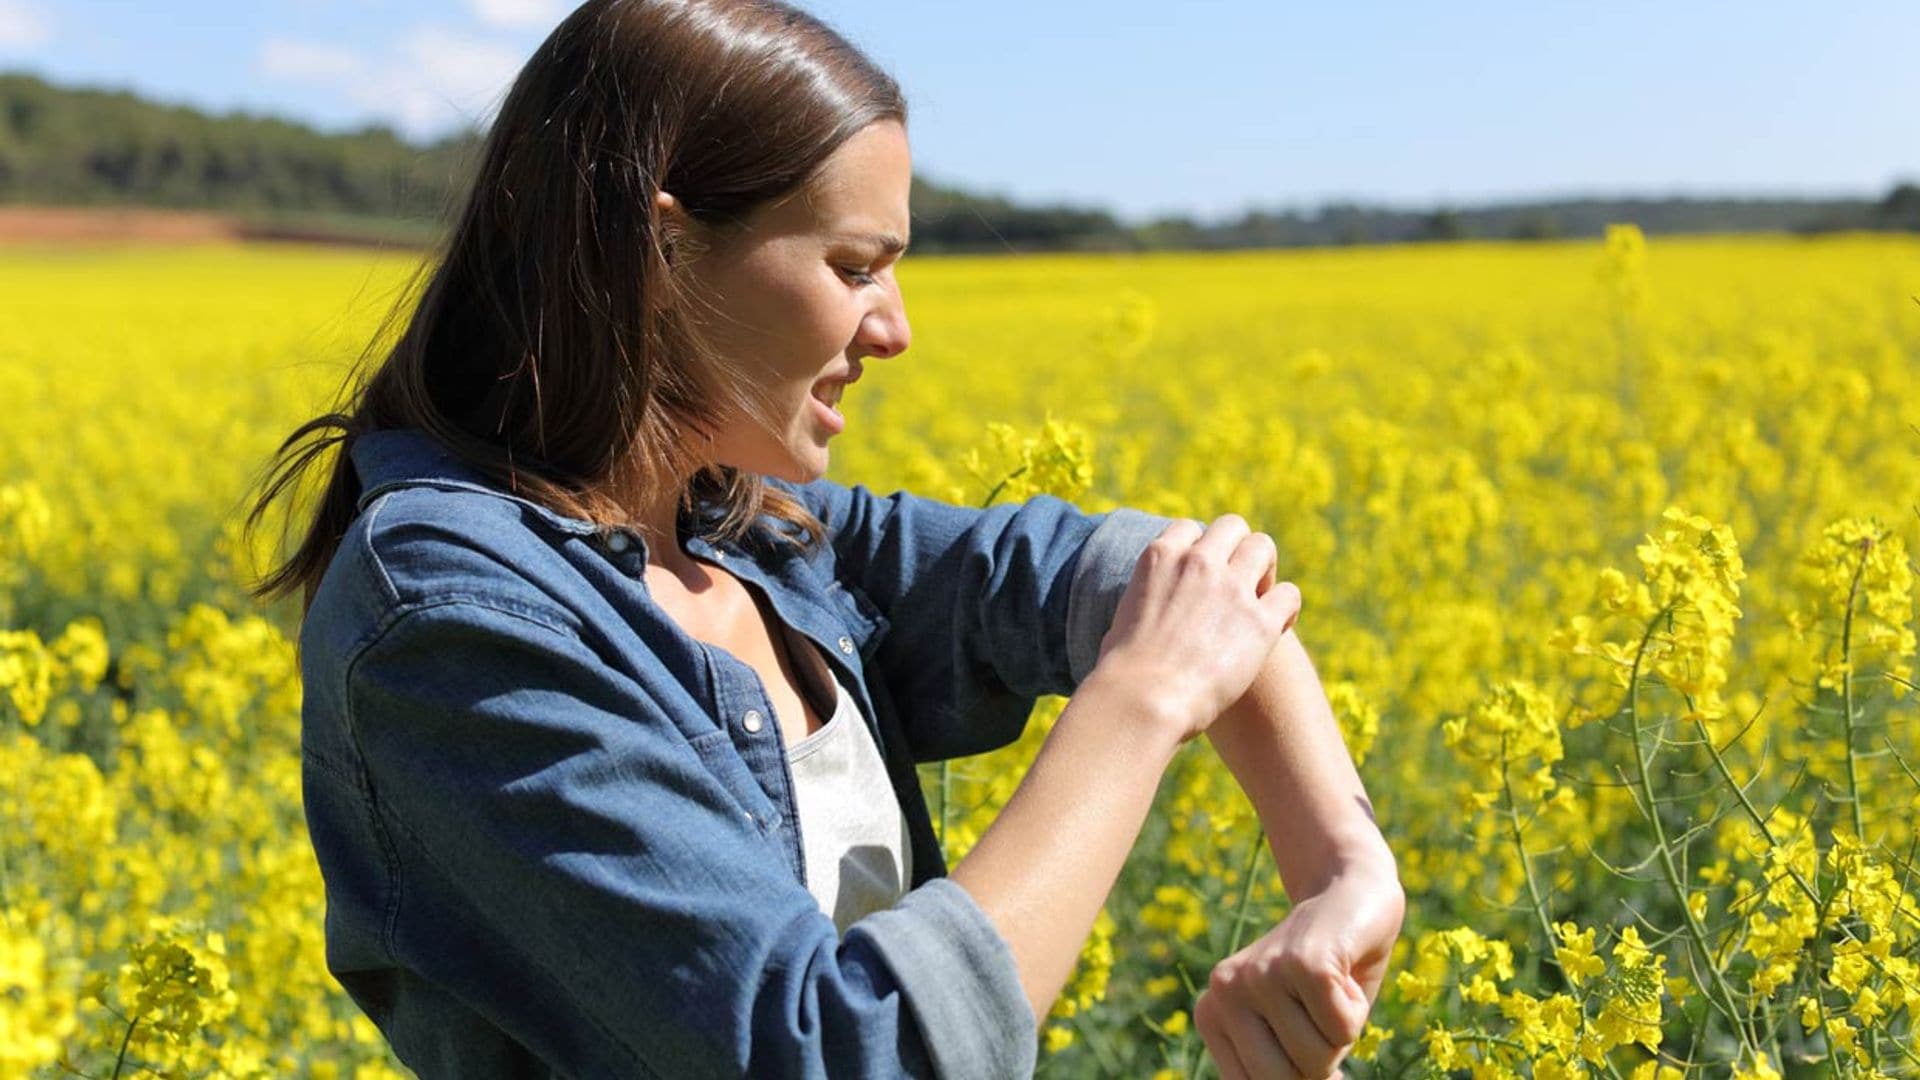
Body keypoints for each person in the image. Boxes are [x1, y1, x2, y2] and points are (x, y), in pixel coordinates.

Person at [243, 1, 1405, 1077]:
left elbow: (1183, 585)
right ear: (660, 251)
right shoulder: (451, 620)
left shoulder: (745, 533)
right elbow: (846, 1052)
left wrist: (1346, 877)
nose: (895, 329)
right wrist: (1143, 702)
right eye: (855, 268)